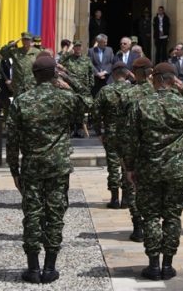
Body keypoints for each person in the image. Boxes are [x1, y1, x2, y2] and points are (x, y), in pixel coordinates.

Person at [6, 56, 89, 284]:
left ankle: (33, 269)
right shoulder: (65, 98)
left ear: (33, 75)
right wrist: (69, 80)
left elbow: (11, 140)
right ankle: (50, 268)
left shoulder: (22, 100)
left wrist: (14, 170)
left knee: (32, 215)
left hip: (32, 166)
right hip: (57, 165)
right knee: (55, 215)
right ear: (54, 73)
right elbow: (89, 101)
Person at [124, 62, 183, 281]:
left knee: (150, 216)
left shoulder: (140, 105)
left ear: (155, 78)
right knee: (172, 216)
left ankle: (153, 264)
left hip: (148, 167)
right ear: (173, 80)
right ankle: (168, 264)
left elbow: (130, 140)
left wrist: (129, 167)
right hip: (176, 169)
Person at [118, 57, 156, 242]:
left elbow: (123, 126)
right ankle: (153, 223)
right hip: (156, 149)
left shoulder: (128, 94)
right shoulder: (159, 92)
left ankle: (138, 226)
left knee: (133, 187)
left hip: (134, 148)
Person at [92, 62, 133, 209]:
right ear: (127, 73)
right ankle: (127, 198)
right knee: (128, 165)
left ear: (114, 74)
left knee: (113, 165)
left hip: (111, 133)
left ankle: (115, 198)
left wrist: (98, 132)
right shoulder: (133, 90)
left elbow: (95, 113)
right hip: (129, 134)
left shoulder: (105, 91)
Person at [61, 40, 95, 137]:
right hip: (71, 88)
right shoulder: (68, 59)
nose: (78, 48)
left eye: (79, 46)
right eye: (76, 46)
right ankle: (72, 129)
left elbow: (91, 73)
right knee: (72, 107)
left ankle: (80, 129)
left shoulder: (86, 59)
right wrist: (68, 50)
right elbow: (60, 61)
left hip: (83, 88)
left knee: (82, 109)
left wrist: (90, 86)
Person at [1, 32, 41, 98]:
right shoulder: (16, 51)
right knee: (17, 104)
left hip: (31, 84)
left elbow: (40, 67)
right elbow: (2, 52)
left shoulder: (37, 52)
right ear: (21, 40)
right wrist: (11, 44)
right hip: (18, 85)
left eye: (27, 40)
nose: (25, 41)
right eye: (24, 39)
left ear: (31, 41)